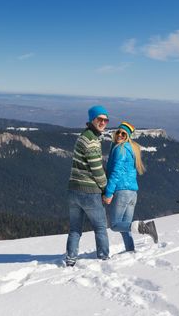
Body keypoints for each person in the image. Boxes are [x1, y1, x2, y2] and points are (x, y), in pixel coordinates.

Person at [65, 105, 110, 267]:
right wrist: (106, 189)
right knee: (100, 227)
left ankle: (70, 258)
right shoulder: (92, 140)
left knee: (75, 229)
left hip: (73, 190)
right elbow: (96, 169)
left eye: (106, 120)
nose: (103, 122)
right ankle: (104, 257)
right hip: (89, 192)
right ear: (92, 119)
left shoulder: (83, 136)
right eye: (100, 119)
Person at [103, 121, 158, 252]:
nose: (120, 135)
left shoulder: (120, 149)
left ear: (128, 136)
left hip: (121, 191)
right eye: (119, 132)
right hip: (132, 193)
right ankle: (131, 251)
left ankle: (145, 227)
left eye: (124, 134)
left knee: (115, 225)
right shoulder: (131, 149)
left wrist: (108, 193)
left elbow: (116, 172)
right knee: (125, 226)